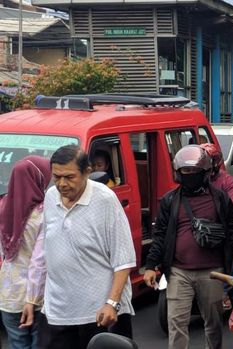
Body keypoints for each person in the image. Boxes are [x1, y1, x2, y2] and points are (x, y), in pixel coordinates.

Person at [143, 145, 233, 349]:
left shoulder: (220, 199)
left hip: (213, 273)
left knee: (213, 324)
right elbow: (160, 234)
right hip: (179, 272)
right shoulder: (170, 200)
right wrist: (151, 265)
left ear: (205, 173)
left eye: (194, 172)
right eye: (185, 172)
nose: (189, 175)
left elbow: (232, 234)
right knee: (176, 323)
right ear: (178, 174)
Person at [38, 145, 135, 349]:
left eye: (69, 177)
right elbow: (46, 249)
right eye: (57, 177)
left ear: (87, 172)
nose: (62, 184)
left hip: (100, 313)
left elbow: (124, 259)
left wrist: (112, 303)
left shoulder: (105, 200)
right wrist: (33, 298)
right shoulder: (50, 197)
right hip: (58, 311)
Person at [0, 156, 51, 349]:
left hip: (8, 294)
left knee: (17, 344)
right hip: (37, 296)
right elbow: (40, 261)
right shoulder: (44, 212)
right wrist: (32, 300)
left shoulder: (3, 206)